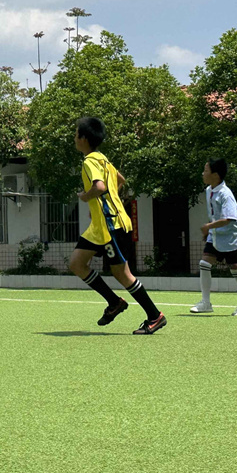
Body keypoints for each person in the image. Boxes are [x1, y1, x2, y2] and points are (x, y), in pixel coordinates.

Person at [68, 117, 166, 335]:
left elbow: (100, 186)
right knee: (76, 263)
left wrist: (86, 197)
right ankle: (114, 302)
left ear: (83, 139)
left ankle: (155, 316)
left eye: (76, 134)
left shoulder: (90, 161)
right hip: (101, 226)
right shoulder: (103, 159)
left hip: (112, 225)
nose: (74, 138)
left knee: (123, 275)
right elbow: (120, 179)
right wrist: (104, 202)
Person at [191, 158, 237, 316]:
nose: (203, 173)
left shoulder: (226, 194)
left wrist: (208, 226)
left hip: (232, 237)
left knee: (236, 271)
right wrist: (211, 230)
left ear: (216, 175)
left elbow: (229, 218)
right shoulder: (209, 190)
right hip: (216, 235)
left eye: (206, 170)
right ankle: (205, 302)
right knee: (204, 263)